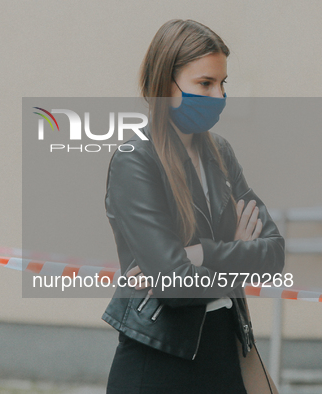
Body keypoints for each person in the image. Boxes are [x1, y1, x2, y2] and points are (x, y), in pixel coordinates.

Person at [102, 19, 285, 393]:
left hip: (225, 353)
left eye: (222, 84)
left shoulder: (220, 153)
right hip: (158, 359)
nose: (218, 96)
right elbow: (176, 286)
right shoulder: (135, 161)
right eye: (205, 84)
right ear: (166, 86)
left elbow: (274, 254)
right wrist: (237, 251)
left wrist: (203, 253)